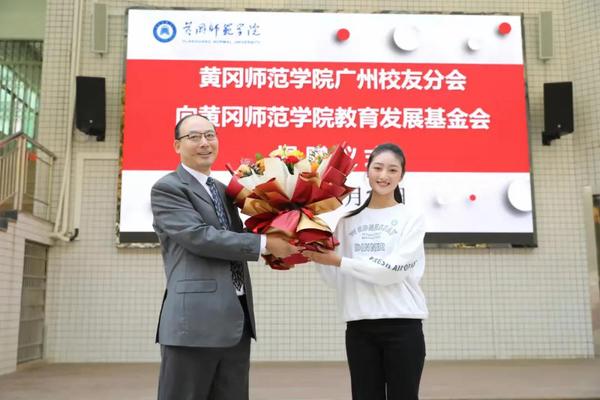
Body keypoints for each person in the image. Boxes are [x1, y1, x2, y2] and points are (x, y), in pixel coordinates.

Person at [151, 114, 297, 400]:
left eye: (210, 135)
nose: (204, 143)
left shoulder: (222, 190)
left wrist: (290, 228)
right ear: (177, 145)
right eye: (194, 137)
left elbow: (236, 236)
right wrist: (265, 243)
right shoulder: (168, 188)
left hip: (235, 320)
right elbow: (199, 236)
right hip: (194, 324)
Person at [303, 143, 428, 400]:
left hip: (403, 327)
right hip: (359, 328)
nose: (384, 175)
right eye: (378, 168)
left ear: (402, 175)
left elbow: (392, 272)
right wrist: (314, 250)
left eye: (392, 170)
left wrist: (339, 261)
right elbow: (336, 278)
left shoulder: (411, 217)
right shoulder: (347, 221)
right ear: (367, 172)